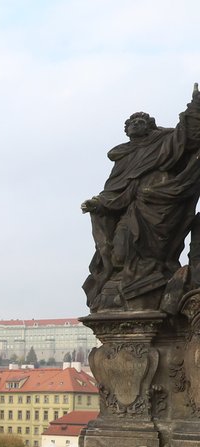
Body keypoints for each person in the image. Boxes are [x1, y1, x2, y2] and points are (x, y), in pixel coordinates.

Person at [82, 82, 200, 312]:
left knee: (146, 253)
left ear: (150, 126)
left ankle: (149, 281)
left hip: (159, 207)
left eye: (141, 121)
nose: (135, 124)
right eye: (131, 122)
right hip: (132, 209)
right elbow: (116, 190)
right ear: (126, 130)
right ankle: (125, 284)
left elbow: (187, 136)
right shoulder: (123, 155)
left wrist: (194, 107)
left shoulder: (163, 142)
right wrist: (98, 203)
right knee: (120, 252)